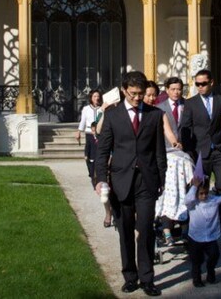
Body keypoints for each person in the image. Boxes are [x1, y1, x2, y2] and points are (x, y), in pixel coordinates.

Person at [95, 71, 168, 297]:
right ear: (124, 90)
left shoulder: (155, 115)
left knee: (145, 230)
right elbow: (103, 150)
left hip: (146, 181)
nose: (138, 98)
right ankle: (130, 276)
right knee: (125, 231)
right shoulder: (113, 115)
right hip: (121, 181)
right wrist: (100, 179)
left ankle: (147, 279)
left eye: (141, 94)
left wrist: (162, 179)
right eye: (133, 94)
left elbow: (159, 151)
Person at [179, 69, 221, 193]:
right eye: (197, 84)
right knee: (201, 188)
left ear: (211, 82)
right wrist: (189, 151)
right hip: (200, 152)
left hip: (219, 150)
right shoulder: (191, 103)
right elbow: (186, 127)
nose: (200, 87)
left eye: (203, 84)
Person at [184, 176, 221, 288]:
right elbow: (187, 199)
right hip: (196, 237)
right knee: (196, 261)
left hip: (210, 236)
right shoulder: (193, 203)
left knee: (214, 255)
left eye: (205, 193)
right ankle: (197, 278)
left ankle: (210, 271)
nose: (204, 196)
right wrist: (194, 186)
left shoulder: (212, 200)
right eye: (201, 194)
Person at [75, 89, 112, 227]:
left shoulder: (107, 110)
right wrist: (79, 131)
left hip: (104, 141)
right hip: (92, 136)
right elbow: (84, 121)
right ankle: (94, 177)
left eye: (98, 96)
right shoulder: (87, 109)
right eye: (94, 96)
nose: (97, 98)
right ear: (91, 98)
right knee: (92, 161)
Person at [156, 76, 186, 245]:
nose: (176, 92)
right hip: (167, 153)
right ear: (167, 90)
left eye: (179, 89)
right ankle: (166, 225)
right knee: (169, 191)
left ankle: (184, 225)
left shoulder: (188, 106)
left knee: (184, 191)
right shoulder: (159, 109)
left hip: (185, 156)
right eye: (173, 89)